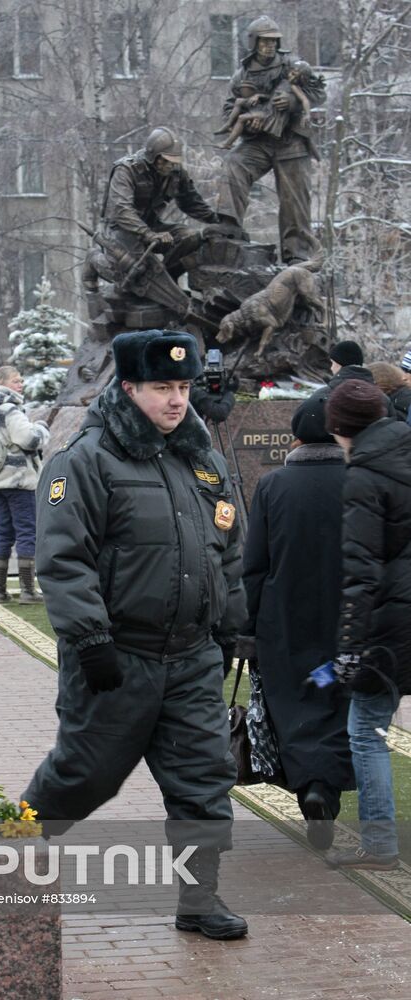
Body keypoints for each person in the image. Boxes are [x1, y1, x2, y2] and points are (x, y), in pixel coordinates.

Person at [23, 330, 248, 940]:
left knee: (204, 780)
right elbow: (63, 559)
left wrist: (231, 629)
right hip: (117, 659)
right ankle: (12, 858)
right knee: (82, 776)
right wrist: (91, 640)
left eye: (182, 387)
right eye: (161, 388)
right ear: (128, 387)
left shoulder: (203, 460)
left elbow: (227, 553)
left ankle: (200, 899)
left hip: (192, 660)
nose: (176, 401)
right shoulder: (86, 460)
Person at [242, 401, 355, 850]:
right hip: (346, 617)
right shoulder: (359, 482)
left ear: (297, 438)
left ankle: (308, 783)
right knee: (337, 700)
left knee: (294, 700)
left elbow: (255, 563)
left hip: (284, 618)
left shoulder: (273, 485)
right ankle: (324, 787)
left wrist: (247, 625)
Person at [323, 380, 411, 871]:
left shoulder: (364, 475)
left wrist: (350, 647)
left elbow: (361, 569)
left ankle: (378, 843)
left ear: (339, 428)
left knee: (366, 730)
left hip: (393, 621)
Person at [216, 16, 326, 263]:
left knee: (294, 198)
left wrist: (293, 102)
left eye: (274, 42)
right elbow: (227, 111)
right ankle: (229, 228)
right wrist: (248, 125)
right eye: (264, 42)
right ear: (254, 43)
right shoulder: (241, 74)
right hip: (258, 142)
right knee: (234, 164)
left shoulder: (292, 65)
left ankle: (296, 254)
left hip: (291, 141)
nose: (269, 47)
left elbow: (319, 92)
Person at [94, 126, 219, 313]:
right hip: (121, 231)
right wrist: (148, 234)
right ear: (153, 156)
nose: (170, 166)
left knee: (190, 237)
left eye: (173, 162)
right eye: (166, 161)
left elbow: (191, 202)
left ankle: (166, 283)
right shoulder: (126, 170)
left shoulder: (175, 173)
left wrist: (217, 221)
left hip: (151, 227)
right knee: (137, 269)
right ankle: (128, 283)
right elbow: (121, 210)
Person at [0, 365, 50, 604]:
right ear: (2, 383)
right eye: (15, 381)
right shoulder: (10, 410)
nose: (21, 384)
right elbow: (28, 440)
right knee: (27, 531)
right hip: (19, 479)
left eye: (21, 380)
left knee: (3, 532)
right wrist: (41, 428)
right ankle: (28, 591)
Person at [215, 62, 313, 150]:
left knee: (242, 118)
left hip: (270, 115)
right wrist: (258, 95)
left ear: (301, 79)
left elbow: (304, 100)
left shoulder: (294, 86)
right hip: (266, 108)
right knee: (239, 101)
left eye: (296, 77)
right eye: (292, 74)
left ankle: (228, 143)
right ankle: (228, 124)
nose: (292, 78)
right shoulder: (283, 82)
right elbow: (271, 97)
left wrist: (307, 114)